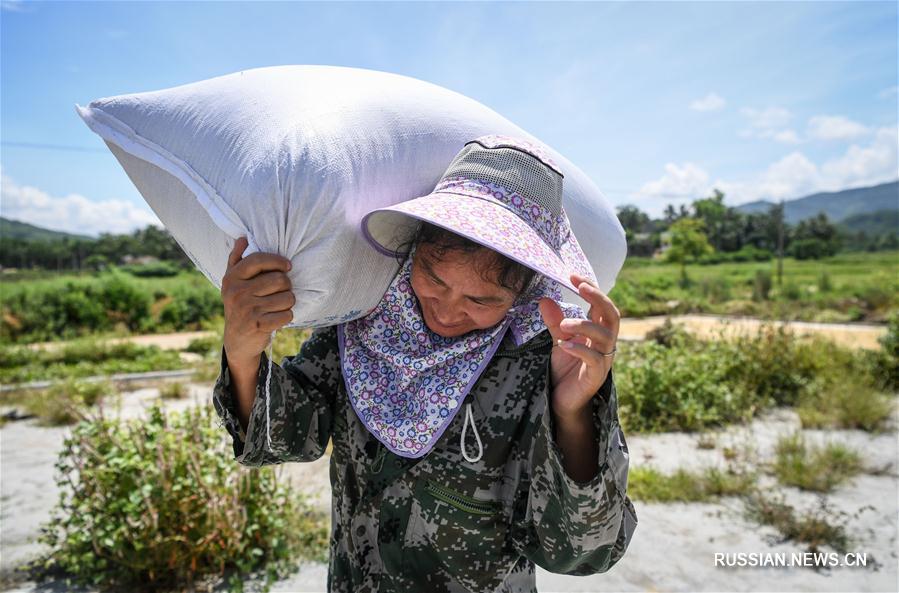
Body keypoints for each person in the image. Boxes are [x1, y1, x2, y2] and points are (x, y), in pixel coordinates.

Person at [213, 135, 638, 593]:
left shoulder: (547, 357)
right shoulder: (362, 326)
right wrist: (243, 351)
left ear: (525, 292)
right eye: (433, 279)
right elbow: (283, 438)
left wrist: (572, 415)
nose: (447, 311)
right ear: (413, 249)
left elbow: (580, 553)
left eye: (481, 299)